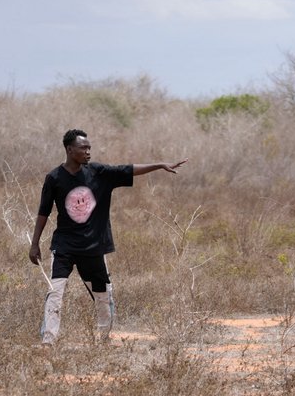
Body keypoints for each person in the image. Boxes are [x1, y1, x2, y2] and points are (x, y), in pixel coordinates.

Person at [29, 129, 187, 346]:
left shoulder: (99, 172)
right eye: (83, 148)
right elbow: (43, 212)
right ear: (69, 149)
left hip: (94, 248)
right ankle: (48, 342)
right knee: (55, 293)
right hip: (64, 246)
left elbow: (129, 169)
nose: (88, 152)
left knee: (103, 297)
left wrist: (159, 165)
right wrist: (34, 243)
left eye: (89, 148)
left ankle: (103, 340)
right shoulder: (54, 178)